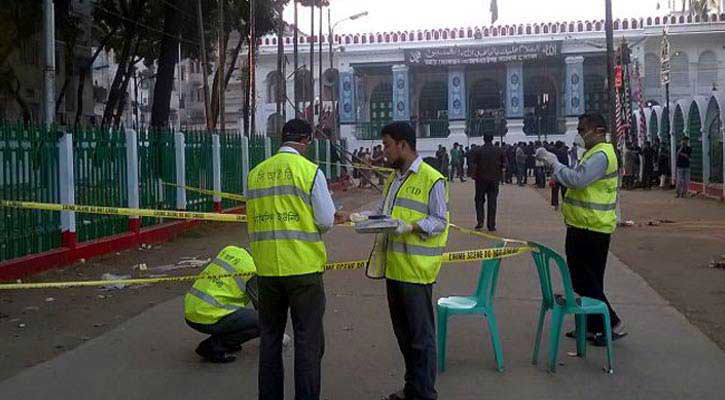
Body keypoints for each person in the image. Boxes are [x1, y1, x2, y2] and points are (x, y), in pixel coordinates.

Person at [342, 122, 449, 400]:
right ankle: (412, 387)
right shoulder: (394, 179)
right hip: (394, 270)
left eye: (387, 145)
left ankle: (425, 393)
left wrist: (411, 226)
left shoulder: (432, 178)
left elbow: (439, 221)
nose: (384, 151)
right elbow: (383, 212)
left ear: (402, 144)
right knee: (404, 337)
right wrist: (361, 217)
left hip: (417, 272)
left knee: (421, 339)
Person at [247, 118, 342, 400]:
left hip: (266, 270)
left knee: (270, 340)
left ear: (281, 138)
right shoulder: (310, 171)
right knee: (308, 342)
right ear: (307, 141)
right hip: (303, 270)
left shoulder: (256, 173)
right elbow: (325, 221)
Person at [536, 113, 627, 347]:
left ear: (598, 130)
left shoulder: (601, 154)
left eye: (582, 129)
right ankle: (591, 325)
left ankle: (611, 322)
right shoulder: (592, 153)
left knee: (583, 279)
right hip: (583, 224)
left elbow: (577, 180)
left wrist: (554, 163)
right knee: (589, 279)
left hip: (591, 227)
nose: (579, 134)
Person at [184, 246, 265, 363]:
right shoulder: (252, 269)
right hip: (208, 315)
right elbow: (262, 306)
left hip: (192, 310)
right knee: (263, 321)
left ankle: (228, 341)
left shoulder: (231, 250)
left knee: (242, 316)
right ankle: (213, 346)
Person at [471, 135, 505, 231]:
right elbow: (504, 164)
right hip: (494, 179)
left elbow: (474, 164)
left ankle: (480, 221)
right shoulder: (499, 151)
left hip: (480, 179)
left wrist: (473, 175)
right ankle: (491, 224)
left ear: (484, 139)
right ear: (492, 139)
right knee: (492, 202)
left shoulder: (479, 150)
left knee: (479, 201)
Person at [550, 141, 569, 210]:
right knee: (564, 189)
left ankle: (555, 204)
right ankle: (565, 203)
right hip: (563, 172)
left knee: (555, 190)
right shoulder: (564, 153)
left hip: (555, 173)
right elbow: (566, 163)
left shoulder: (553, 153)